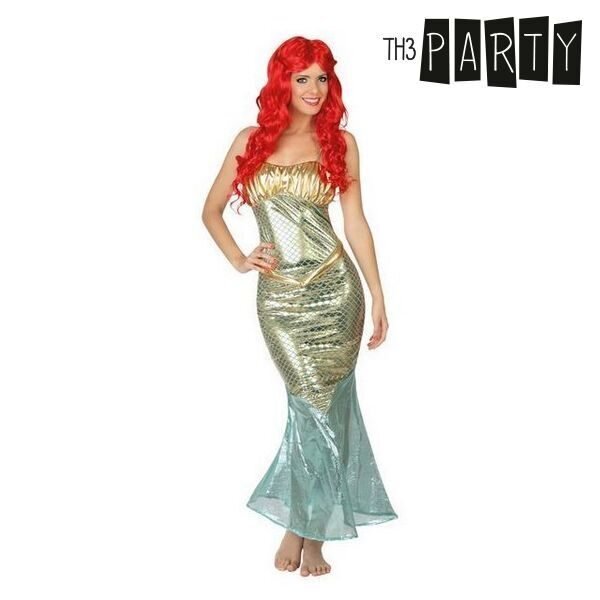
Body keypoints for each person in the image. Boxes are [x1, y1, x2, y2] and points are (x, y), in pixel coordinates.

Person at [202, 36, 398, 577]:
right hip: (280, 301)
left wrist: (378, 292)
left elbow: (355, 223)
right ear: (282, 83)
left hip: (336, 292)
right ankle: (307, 521)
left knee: (325, 410)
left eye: (322, 78)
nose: (314, 88)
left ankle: (305, 530)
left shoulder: (341, 142)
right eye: (302, 78)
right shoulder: (250, 140)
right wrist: (240, 258)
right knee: (306, 407)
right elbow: (210, 210)